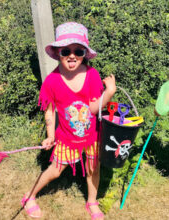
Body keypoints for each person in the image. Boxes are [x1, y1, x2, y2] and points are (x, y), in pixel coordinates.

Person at [21, 22, 116, 219]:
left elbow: (93, 108)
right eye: (66, 50)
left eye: (78, 50)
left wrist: (109, 93)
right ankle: (29, 196)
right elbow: (49, 112)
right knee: (55, 171)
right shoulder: (52, 81)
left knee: (93, 169)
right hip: (65, 137)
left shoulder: (92, 75)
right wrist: (50, 136)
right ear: (58, 53)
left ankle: (92, 202)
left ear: (84, 53)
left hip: (92, 136)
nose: (72, 55)